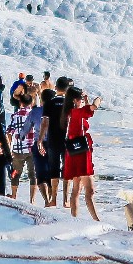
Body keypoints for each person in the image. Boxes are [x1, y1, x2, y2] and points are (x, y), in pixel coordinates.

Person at [61, 83, 99, 220]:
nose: (82, 101)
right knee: (90, 191)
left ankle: (75, 219)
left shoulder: (70, 113)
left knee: (76, 188)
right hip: (81, 153)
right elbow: (92, 109)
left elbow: (88, 113)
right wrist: (98, 99)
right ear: (74, 100)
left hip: (73, 152)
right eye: (80, 99)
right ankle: (96, 220)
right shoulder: (76, 113)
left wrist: (86, 101)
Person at [34, 80, 69, 208]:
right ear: (67, 89)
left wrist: (40, 139)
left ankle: (53, 199)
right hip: (67, 139)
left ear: (55, 87)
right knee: (66, 169)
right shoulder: (69, 103)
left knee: (54, 167)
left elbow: (44, 123)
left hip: (53, 139)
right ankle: (65, 200)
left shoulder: (49, 103)